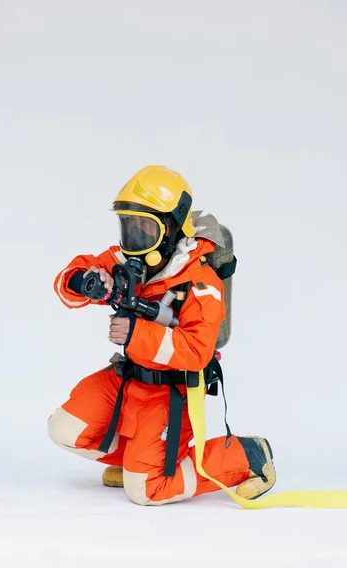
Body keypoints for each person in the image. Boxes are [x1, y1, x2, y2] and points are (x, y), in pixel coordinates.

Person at [48, 165, 276, 506]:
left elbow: (198, 352)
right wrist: (87, 280)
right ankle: (135, 462)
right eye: (130, 227)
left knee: (146, 489)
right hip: (128, 379)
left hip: (171, 391)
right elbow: (67, 280)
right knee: (64, 429)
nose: (135, 238)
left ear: (170, 229)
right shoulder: (126, 261)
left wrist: (136, 332)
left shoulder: (200, 285)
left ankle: (247, 456)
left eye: (145, 229)